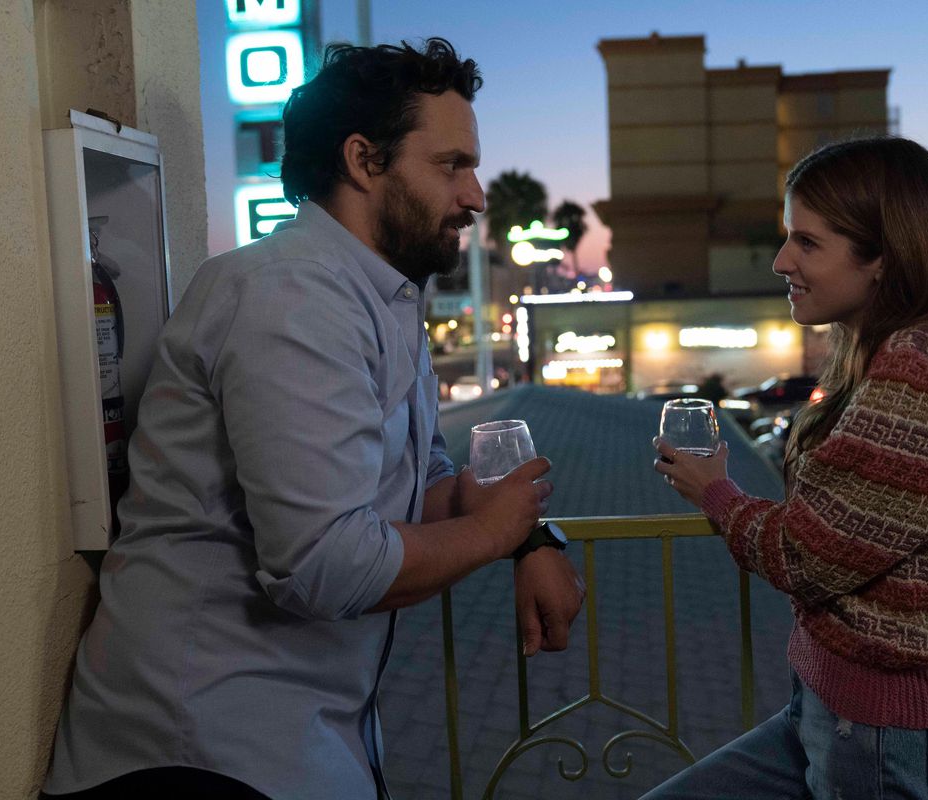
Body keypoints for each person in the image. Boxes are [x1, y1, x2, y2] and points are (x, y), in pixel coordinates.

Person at [44, 39, 583, 800]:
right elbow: (325, 567)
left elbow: (420, 484)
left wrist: (528, 536)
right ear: (364, 160)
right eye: (451, 165)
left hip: (299, 742)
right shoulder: (290, 296)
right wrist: (497, 533)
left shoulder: (380, 296)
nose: (475, 195)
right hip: (195, 749)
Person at [648, 137, 928, 799]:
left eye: (808, 243)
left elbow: (810, 558)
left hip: (890, 740)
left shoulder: (924, 369)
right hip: (835, 710)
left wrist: (717, 494)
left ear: (883, 259)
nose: (782, 260)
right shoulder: (887, 352)